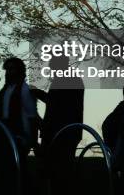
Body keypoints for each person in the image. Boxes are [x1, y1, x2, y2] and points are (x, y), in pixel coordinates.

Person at [31, 55, 84, 194]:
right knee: (59, 174)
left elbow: (57, 105)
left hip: (61, 134)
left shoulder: (67, 80)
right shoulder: (70, 79)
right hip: (65, 133)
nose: (51, 69)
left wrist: (38, 93)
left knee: (58, 175)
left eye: (52, 66)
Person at [0, 57, 39, 194]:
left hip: (18, 138)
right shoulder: (4, 91)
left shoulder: (24, 90)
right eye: (7, 70)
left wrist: (31, 141)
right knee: (3, 174)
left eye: (12, 69)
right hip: (3, 137)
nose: (8, 73)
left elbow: (32, 117)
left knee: (17, 174)